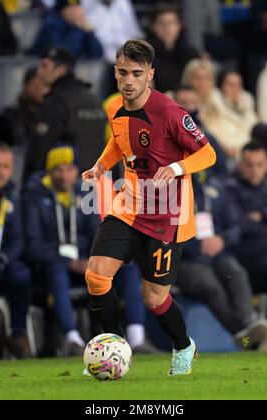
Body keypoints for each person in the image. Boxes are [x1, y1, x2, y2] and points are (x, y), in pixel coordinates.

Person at [82, 40, 216, 376]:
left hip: (167, 214)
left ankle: (184, 346)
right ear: (115, 72)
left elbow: (208, 153)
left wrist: (175, 168)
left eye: (137, 74)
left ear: (150, 75)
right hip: (128, 206)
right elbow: (119, 140)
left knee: (153, 297)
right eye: (123, 72)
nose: (129, 80)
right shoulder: (114, 107)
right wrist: (100, 166)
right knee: (96, 275)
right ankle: (115, 349)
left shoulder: (170, 113)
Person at [24, 144, 153, 355]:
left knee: (128, 269)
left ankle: (137, 339)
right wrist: (69, 263)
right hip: (53, 268)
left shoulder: (84, 195)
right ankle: (72, 340)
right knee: (56, 271)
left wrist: (100, 258)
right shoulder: (33, 199)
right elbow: (33, 246)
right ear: (49, 172)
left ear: (77, 171)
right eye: (58, 169)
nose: (65, 175)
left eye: (69, 168)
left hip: (87, 264)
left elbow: (98, 233)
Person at [178, 174, 267, 351]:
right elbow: (165, 232)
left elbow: (234, 225)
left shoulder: (217, 189)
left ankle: (247, 328)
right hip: (186, 259)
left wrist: (222, 239)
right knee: (210, 285)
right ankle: (245, 334)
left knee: (237, 274)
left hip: (218, 253)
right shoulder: (170, 192)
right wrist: (196, 246)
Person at [24, 47, 106, 182]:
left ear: (61, 70)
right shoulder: (94, 99)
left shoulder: (56, 102)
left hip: (65, 183)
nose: (39, 72)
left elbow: (38, 150)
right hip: (98, 182)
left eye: (44, 66)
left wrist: (29, 185)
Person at [227, 143, 267, 324]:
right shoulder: (230, 190)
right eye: (249, 165)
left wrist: (265, 214)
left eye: (259, 165)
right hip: (251, 257)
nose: (255, 170)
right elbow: (240, 225)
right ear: (240, 165)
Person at [0, 144, 32, 359]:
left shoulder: (13, 197)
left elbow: (18, 239)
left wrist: (3, 258)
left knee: (20, 275)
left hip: (0, 263)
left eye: (5, 166)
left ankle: (18, 333)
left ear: (11, 170)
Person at [146, 5, 199, 93]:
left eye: (171, 23)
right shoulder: (145, 55)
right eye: (161, 23)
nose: (167, 28)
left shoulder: (191, 54)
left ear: (180, 26)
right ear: (153, 27)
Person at [30, 0, 104, 59]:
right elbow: (63, 55)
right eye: (72, 8)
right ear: (63, 10)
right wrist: (77, 29)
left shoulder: (79, 25)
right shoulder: (51, 25)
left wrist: (89, 31)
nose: (76, 12)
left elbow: (97, 53)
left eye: (77, 7)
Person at [3, 67, 50, 147]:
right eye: (36, 84)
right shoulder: (12, 115)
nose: (42, 89)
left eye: (45, 85)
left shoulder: (52, 113)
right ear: (26, 85)